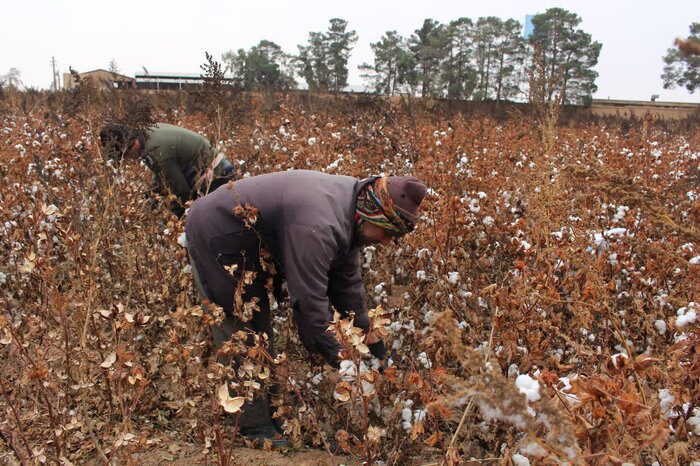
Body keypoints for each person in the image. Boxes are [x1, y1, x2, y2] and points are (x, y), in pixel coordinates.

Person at [185, 170, 428, 446]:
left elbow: (346, 283)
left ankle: (273, 414)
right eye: (388, 233)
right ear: (373, 214)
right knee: (242, 330)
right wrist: (345, 363)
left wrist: (371, 340)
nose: (386, 242)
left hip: (247, 240)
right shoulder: (320, 224)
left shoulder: (352, 208)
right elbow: (308, 303)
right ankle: (254, 427)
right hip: (216, 234)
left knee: (262, 335)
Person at [99, 123, 235, 216]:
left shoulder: (156, 152)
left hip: (216, 176)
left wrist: (173, 216)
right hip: (213, 169)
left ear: (129, 146)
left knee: (203, 223)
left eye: (126, 155)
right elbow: (161, 174)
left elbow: (182, 192)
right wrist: (150, 197)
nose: (129, 158)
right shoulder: (148, 133)